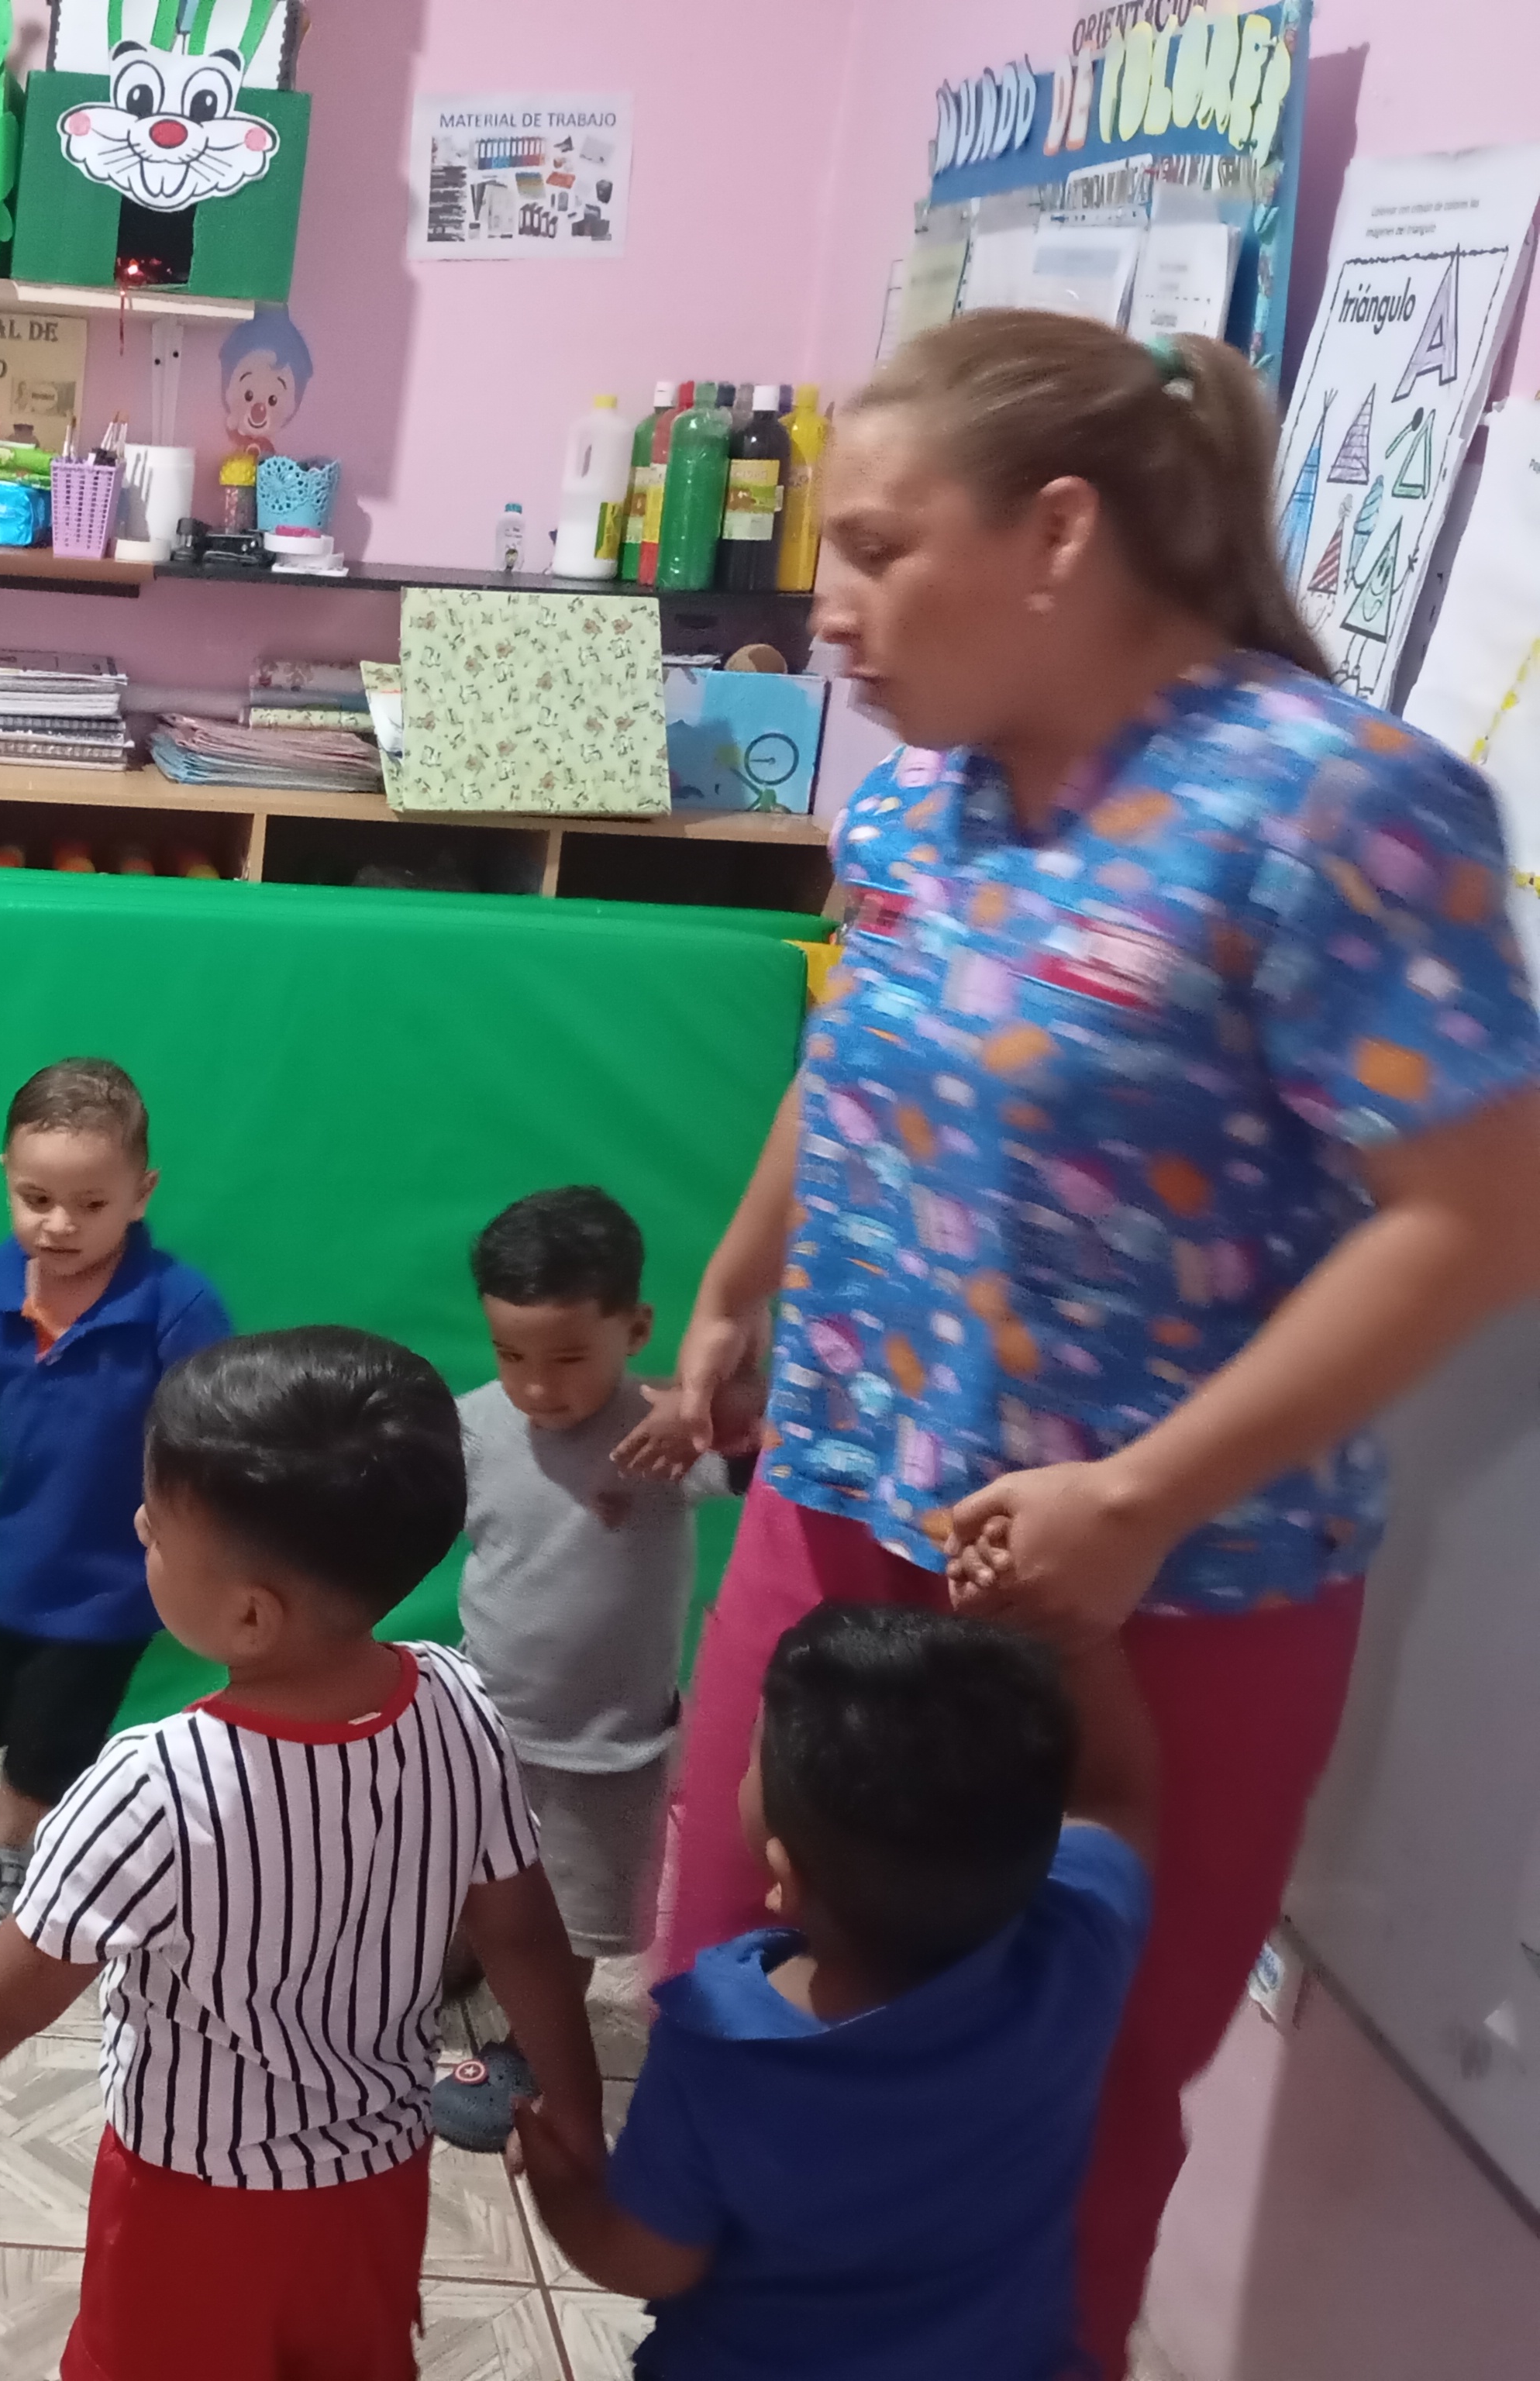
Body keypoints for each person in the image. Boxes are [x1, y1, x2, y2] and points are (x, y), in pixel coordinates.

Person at [617, 313, 1540, 2371]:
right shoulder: (918, 806)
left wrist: (1139, 1499)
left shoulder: (1337, 808)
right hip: (841, 1512)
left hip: (1155, 1608)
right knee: (735, 2029)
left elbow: (1484, 1218)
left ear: (1056, 532)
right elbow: (860, 1049)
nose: (829, 611)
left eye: (878, 549)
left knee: (1065, 2129)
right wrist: (741, 1281)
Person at [0, 1328, 605, 2381]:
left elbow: (5, 2002)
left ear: (250, 1614)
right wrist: (576, 2110)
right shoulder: (463, 1705)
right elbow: (523, 1931)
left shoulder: (154, 1785)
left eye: (157, 1525)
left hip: (194, 2205)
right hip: (379, 2181)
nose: (138, 1525)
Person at [512, 1604, 1156, 2381]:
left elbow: (652, 2260)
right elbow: (1117, 1800)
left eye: (752, 1756)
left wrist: (563, 2194)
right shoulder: (1075, 1950)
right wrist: (1081, 1617)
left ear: (784, 1877)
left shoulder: (723, 2045)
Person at [0, 1057, 229, 1964]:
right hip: (16, 1565)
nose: (60, 1224)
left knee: (43, 1745)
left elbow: (220, 1425)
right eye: (36, 1199)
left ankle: (6, 1856)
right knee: (3, 1718)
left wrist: (208, 1535)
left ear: (141, 1194)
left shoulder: (176, 1305)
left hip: (113, 1585)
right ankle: (55, 1797)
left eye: (91, 1204)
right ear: (7, 1178)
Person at [430, 1187, 749, 2153]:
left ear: (636, 1328)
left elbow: (761, 1430)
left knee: (567, 1919)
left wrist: (707, 1402)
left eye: (568, 1358)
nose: (538, 1387)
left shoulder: (665, 1432)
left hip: (607, 1746)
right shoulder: (473, 1428)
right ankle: (448, 1966)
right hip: (484, 1721)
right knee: (461, 1870)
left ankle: (533, 2050)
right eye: (512, 1355)